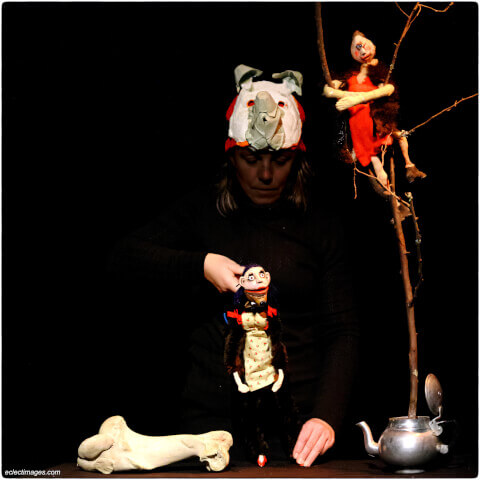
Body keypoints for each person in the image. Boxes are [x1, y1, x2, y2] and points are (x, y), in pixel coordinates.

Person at [109, 64, 359, 468]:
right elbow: (123, 257)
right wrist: (201, 265)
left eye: (280, 160)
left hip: (297, 431)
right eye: (251, 159)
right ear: (231, 156)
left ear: (297, 159)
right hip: (210, 431)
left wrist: (327, 415)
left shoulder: (321, 224)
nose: (265, 174)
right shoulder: (203, 210)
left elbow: (342, 330)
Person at [323, 31, 426, 187]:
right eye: (358, 48)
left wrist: (357, 98)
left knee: (398, 138)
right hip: (360, 122)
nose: (363, 52)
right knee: (375, 157)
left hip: (374, 118)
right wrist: (345, 95)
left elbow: (388, 89)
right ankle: (389, 188)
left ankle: (408, 166)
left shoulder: (377, 73)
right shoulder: (350, 77)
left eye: (364, 46)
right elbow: (328, 90)